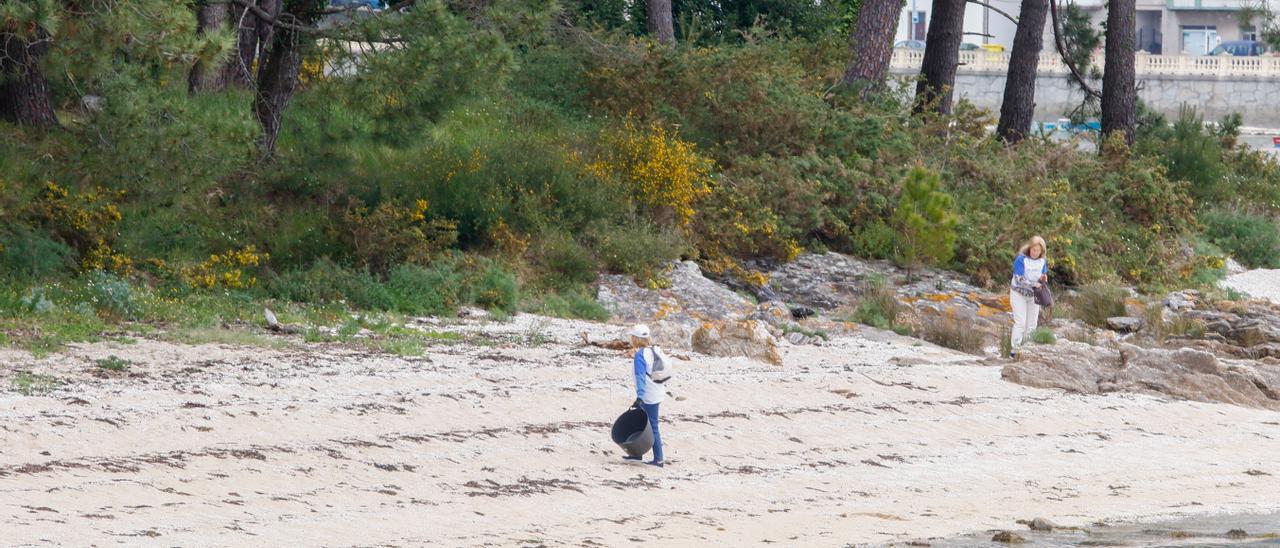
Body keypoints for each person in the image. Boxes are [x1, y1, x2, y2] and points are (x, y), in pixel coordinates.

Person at [625, 324, 665, 468]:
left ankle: (659, 459)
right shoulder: (656, 349)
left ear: (635, 339)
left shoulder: (640, 355)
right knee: (640, 422)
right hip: (658, 390)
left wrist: (640, 397)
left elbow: (640, 377)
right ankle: (637, 454)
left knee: (652, 425)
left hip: (648, 394)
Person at [1009, 236, 1048, 358]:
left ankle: (1025, 350)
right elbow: (1019, 279)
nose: (1035, 253)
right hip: (1018, 293)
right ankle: (1014, 350)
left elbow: (1042, 275)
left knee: (1032, 324)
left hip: (1033, 296)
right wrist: (1033, 284)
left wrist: (1043, 279)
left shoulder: (1043, 262)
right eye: (1033, 250)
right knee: (1020, 322)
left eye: (1038, 251)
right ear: (1030, 248)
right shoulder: (1021, 259)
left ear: (1042, 251)